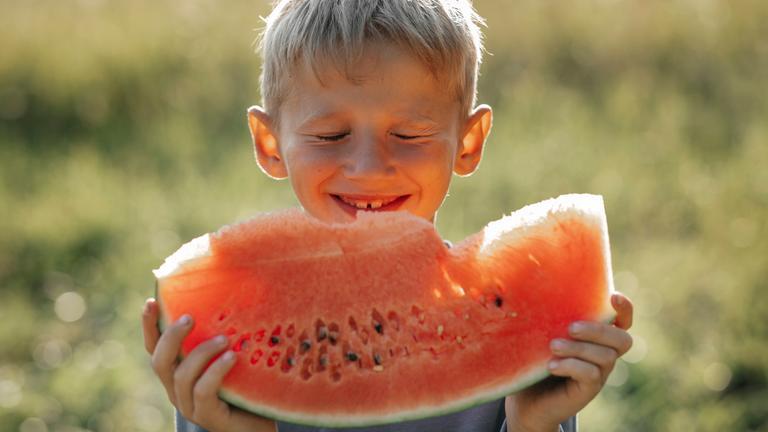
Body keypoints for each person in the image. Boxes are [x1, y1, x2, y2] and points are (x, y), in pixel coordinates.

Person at [141, 0, 634, 431]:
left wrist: (532, 426)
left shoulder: (526, 332)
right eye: (331, 136)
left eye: (410, 135)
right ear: (270, 145)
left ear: (468, 142)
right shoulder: (229, 347)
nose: (369, 167)